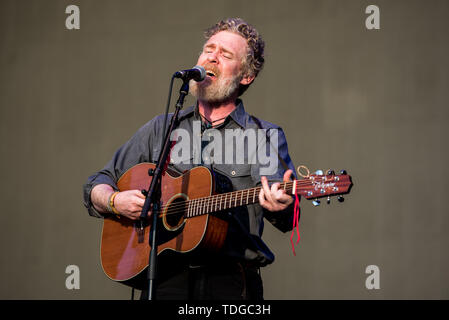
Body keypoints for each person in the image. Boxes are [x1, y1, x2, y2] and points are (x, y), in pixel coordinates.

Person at [83, 18, 298, 300]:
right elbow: (97, 185)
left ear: (245, 76)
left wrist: (281, 204)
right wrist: (114, 201)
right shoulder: (163, 127)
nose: (212, 57)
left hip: (229, 283)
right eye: (209, 49)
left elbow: (286, 216)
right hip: (164, 276)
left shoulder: (262, 135)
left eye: (225, 54)